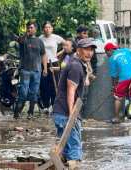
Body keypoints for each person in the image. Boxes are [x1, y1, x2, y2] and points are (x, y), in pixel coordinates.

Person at [53, 38, 96, 169]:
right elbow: (71, 91)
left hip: (61, 112)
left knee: (66, 151)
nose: (89, 53)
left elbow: (85, 83)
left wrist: (88, 72)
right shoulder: (76, 66)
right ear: (78, 50)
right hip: (66, 113)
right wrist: (72, 114)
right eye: (86, 49)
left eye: (91, 50)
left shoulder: (78, 63)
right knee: (75, 151)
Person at [14, 20, 48, 119]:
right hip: (25, 70)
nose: (29, 29)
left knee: (34, 93)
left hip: (37, 70)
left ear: (36, 29)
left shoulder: (39, 41)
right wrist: (26, 34)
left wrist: (45, 68)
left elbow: (43, 54)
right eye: (28, 27)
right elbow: (20, 40)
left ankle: (30, 113)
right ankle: (17, 113)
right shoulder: (23, 40)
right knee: (23, 92)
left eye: (31, 28)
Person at [104, 42, 131, 124]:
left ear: (110, 50)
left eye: (106, 51)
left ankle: (117, 117)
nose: (106, 54)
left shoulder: (112, 59)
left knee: (118, 98)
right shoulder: (126, 50)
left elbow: (114, 76)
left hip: (123, 79)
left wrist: (114, 86)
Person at [39, 21, 65, 113]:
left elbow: (66, 45)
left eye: (49, 27)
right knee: (44, 85)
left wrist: (59, 53)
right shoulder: (40, 39)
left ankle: (55, 105)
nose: (47, 29)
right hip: (43, 63)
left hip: (54, 63)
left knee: (54, 84)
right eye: (45, 27)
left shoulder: (55, 37)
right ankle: (45, 105)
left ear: (52, 29)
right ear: (43, 29)